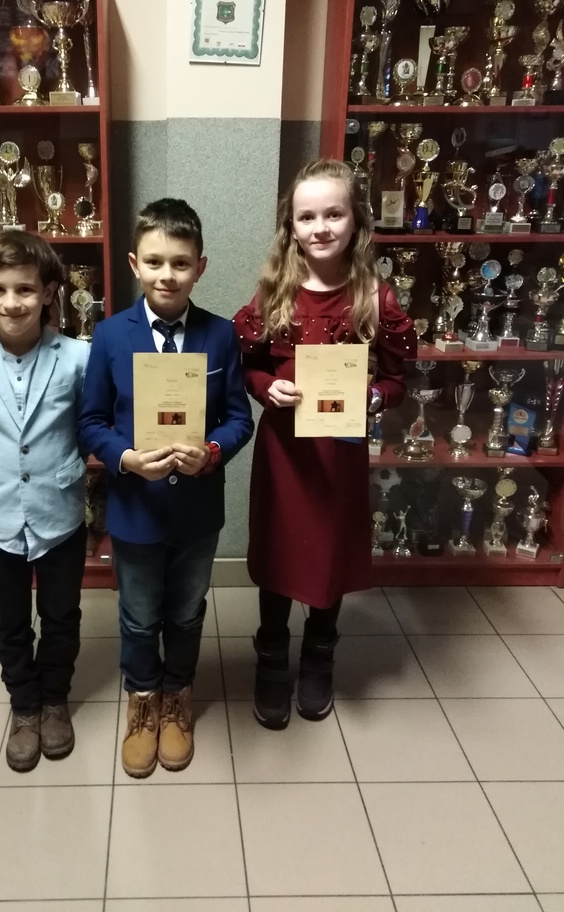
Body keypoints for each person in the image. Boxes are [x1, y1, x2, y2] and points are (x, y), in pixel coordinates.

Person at [233, 159, 416, 731]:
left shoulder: (376, 299)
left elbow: (397, 380)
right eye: (306, 217)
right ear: (290, 226)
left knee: (328, 555)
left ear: (355, 219)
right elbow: (246, 366)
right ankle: (270, 657)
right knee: (279, 551)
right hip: (285, 455)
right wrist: (266, 388)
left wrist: (374, 398)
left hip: (338, 456)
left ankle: (319, 656)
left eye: (333, 214)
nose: (320, 227)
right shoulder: (274, 294)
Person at [79, 198, 253, 777]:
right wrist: (126, 459)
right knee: (137, 615)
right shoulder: (110, 335)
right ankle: (142, 699)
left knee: (185, 612)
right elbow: (91, 422)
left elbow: (238, 418)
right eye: (154, 262)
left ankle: (177, 694)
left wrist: (213, 452)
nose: (167, 275)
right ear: (135, 264)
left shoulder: (220, 335)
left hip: (197, 511)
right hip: (136, 508)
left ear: (199, 267)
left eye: (180, 263)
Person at [0, 230, 89, 772]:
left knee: (61, 614)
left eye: (25, 289)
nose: (11, 302)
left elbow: (86, 425)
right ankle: (24, 706)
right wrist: (1, 468)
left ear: (48, 292)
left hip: (59, 510)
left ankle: (55, 700)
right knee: (9, 619)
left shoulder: (78, 358)